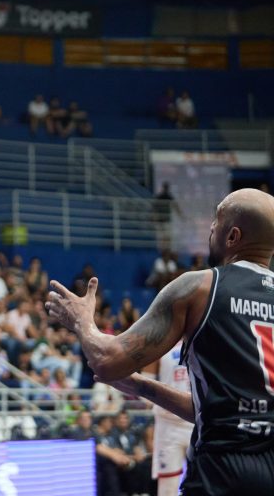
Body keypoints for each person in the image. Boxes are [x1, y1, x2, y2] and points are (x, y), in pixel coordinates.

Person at [46, 188, 274, 495]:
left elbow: (107, 360)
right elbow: (218, 409)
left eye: (217, 220)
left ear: (233, 236)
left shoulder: (200, 287)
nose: (211, 227)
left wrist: (82, 321)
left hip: (222, 468)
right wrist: (140, 385)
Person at [142, 341, 193, 496]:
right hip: (168, 425)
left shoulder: (204, 338)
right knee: (167, 487)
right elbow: (145, 386)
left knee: (204, 481)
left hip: (197, 421)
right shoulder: (158, 343)